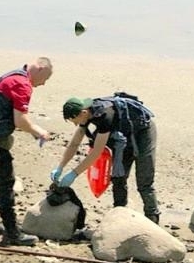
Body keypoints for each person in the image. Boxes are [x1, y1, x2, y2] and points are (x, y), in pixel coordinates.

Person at [0, 58, 53, 246]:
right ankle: (12, 233)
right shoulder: (23, 84)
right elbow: (20, 120)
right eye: (45, 79)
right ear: (39, 69)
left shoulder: (13, 75)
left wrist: (31, 131)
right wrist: (39, 132)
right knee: (6, 183)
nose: (43, 84)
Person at [54, 93, 160, 224]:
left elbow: (96, 152)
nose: (76, 124)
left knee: (144, 181)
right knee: (118, 177)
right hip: (123, 139)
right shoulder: (86, 113)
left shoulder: (104, 116)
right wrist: (60, 167)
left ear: (83, 112)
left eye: (75, 120)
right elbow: (74, 143)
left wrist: (74, 174)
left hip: (143, 133)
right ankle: (119, 214)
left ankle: (152, 218)